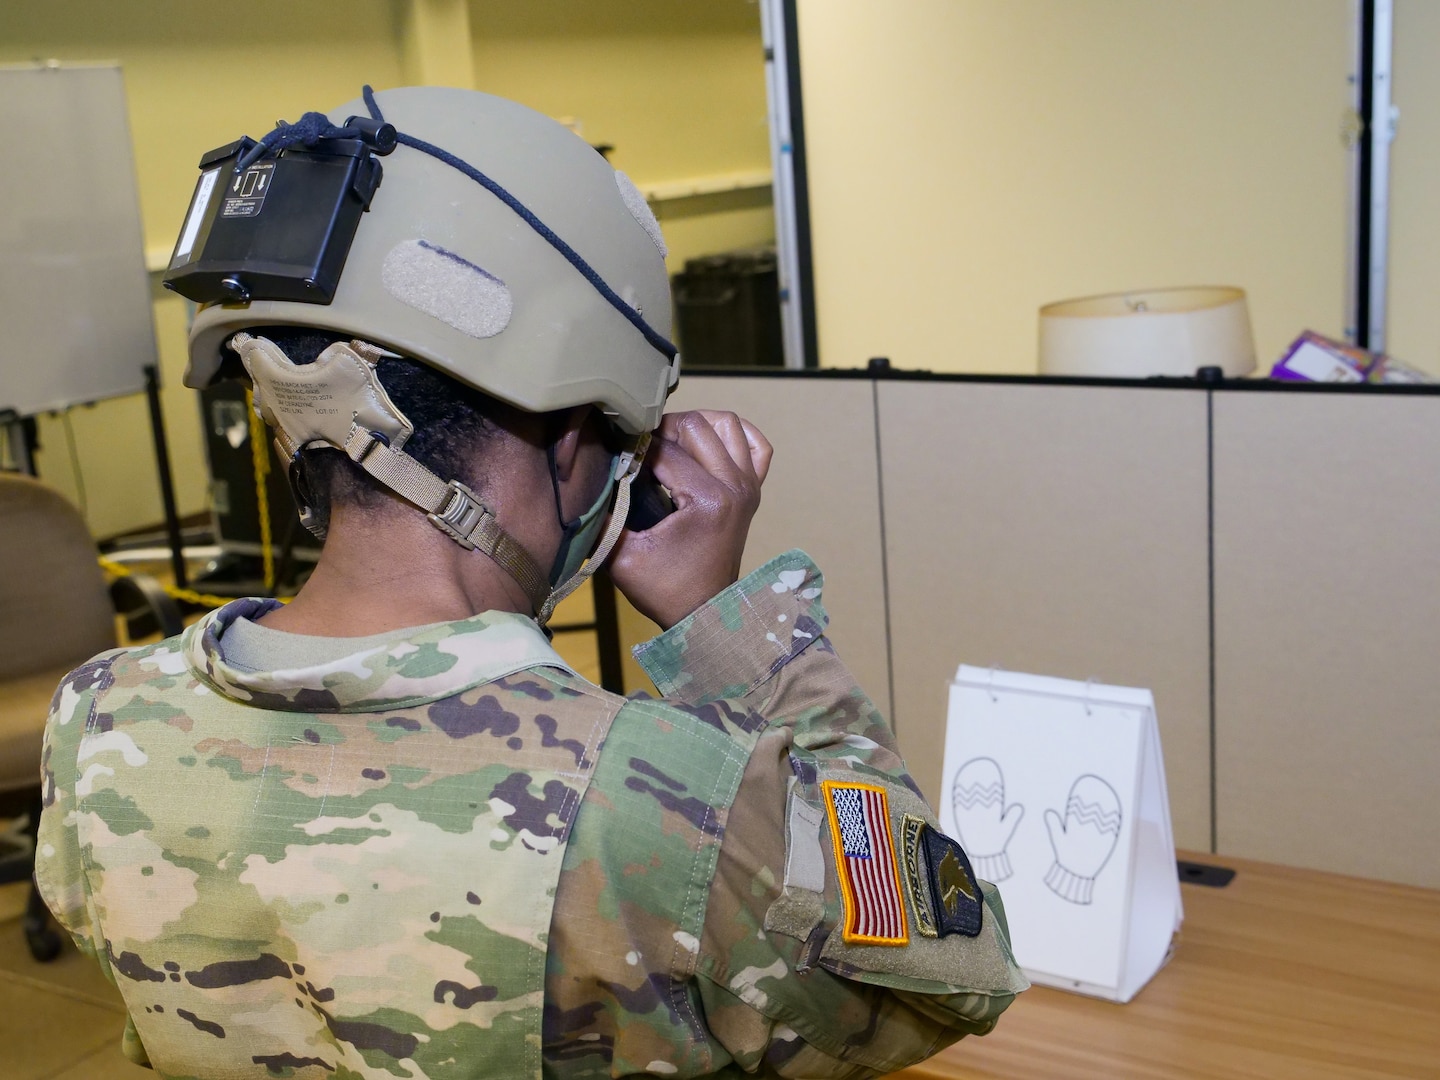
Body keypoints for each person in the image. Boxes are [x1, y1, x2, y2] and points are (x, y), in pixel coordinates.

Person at [37, 86, 1025, 1079]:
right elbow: (952, 975)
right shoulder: (665, 806)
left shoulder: (98, 727)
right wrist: (738, 630)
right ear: (569, 445)